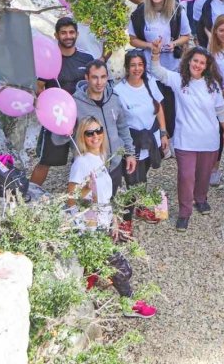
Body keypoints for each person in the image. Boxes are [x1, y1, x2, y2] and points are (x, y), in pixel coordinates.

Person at [67, 116, 157, 318]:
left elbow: (106, 196)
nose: (95, 136)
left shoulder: (99, 158)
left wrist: (114, 219)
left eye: (98, 130)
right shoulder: (81, 163)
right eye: (89, 133)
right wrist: (85, 190)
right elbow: (70, 200)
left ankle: (82, 306)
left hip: (103, 223)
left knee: (93, 270)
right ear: (82, 136)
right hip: (90, 229)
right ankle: (129, 305)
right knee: (123, 270)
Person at [150, 40, 224, 232]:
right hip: (185, 139)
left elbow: (221, 110)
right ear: (189, 61)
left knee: (203, 175)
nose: (198, 65)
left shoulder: (213, 85)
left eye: (202, 62)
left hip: (209, 140)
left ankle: (201, 199)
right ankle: (184, 213)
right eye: (195, 61)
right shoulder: (179, 80)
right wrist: (155, 54)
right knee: (186, 176)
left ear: (207, 66)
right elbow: (158, 72)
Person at [53, 60, 138, 232]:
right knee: (88, 209)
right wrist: (64, 131)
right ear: (87, 78)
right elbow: (58, 139)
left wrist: (129, 152)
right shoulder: (74, 104)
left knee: (110, 203)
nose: (99, 82)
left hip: (113, 164)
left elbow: (122, 127)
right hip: (88, 167)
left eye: (103, 77)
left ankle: (112, 233)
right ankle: (93, 240)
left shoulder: (114, 99)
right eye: (94, 78)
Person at [31, 17, 96, 187]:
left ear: (77, 34)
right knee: (45, 161)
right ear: (56, 35)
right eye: (64, 33)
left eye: (71, 32)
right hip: (56, 119)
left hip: (82, 119)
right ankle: (29, 194)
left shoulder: (86, 57)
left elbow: (95, 85)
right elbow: (38, 89)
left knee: (85, 160)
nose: (68, 36)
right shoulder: (49, 58)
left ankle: (84, 200)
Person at [128, 0, 191, 139]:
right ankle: (158, 140)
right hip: (148, 67)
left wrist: (173, 44)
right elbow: (132, 39)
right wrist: (149, 45)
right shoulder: (140, 12)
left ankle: (172, 138)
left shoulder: (177, 11)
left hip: (171, 67)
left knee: (171, 105)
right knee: (154, 104)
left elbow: (186, 36)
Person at [113, 51, 169, 226]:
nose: (137, 69)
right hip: (131, 141)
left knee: (143, 175)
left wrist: (163, 132)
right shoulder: (119, 90)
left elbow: (158, 107)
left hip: (149, 139)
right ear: (127, 68)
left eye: (140, 65)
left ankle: (139, 207)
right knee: (131, 181)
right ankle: (126, 222)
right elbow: (117, 120)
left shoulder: (150, 82)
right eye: (133, 65)